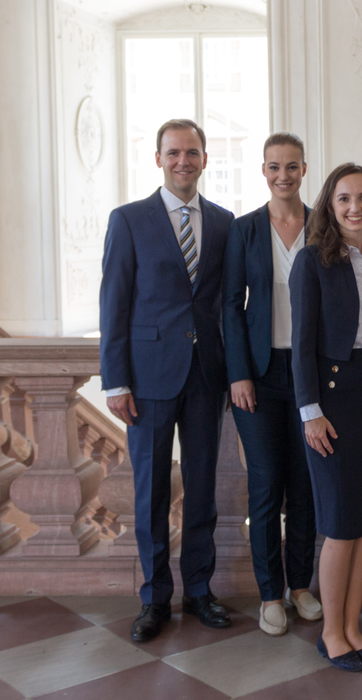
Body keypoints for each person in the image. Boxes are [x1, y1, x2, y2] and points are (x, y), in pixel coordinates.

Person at [100, 119, 234, 642]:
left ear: (205, 159)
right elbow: (115, 302)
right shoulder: (129, 220)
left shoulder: (223, 223)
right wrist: (116, 381)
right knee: (151, 492)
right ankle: (155, 597)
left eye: (193, 153)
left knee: (202, 490)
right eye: (174, 153)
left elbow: (226, 303)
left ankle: (199, 591)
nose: (184, 161)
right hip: (148, 379)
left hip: (207, 377)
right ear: (158, 159)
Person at [290, 163, 362, 672]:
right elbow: (301, 346)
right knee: (339, 524)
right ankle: (331, 634)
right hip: (332, 404)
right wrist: (310, 412)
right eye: (344, 199)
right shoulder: (312, 260)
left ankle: (353, 627)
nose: (355, 207)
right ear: (329, 205)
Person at [222, 132, 321, 636]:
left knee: (305, 487)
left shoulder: (322, 225)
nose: (283, 175)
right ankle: (269, 594)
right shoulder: (244, 231)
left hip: (309, 376)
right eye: (274, 167)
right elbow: (229, 307)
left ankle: (301, 585)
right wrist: (238, 372)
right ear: (263, 171)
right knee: (266, 487)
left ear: (304, 169)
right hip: (258, 378)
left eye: (292, 166)